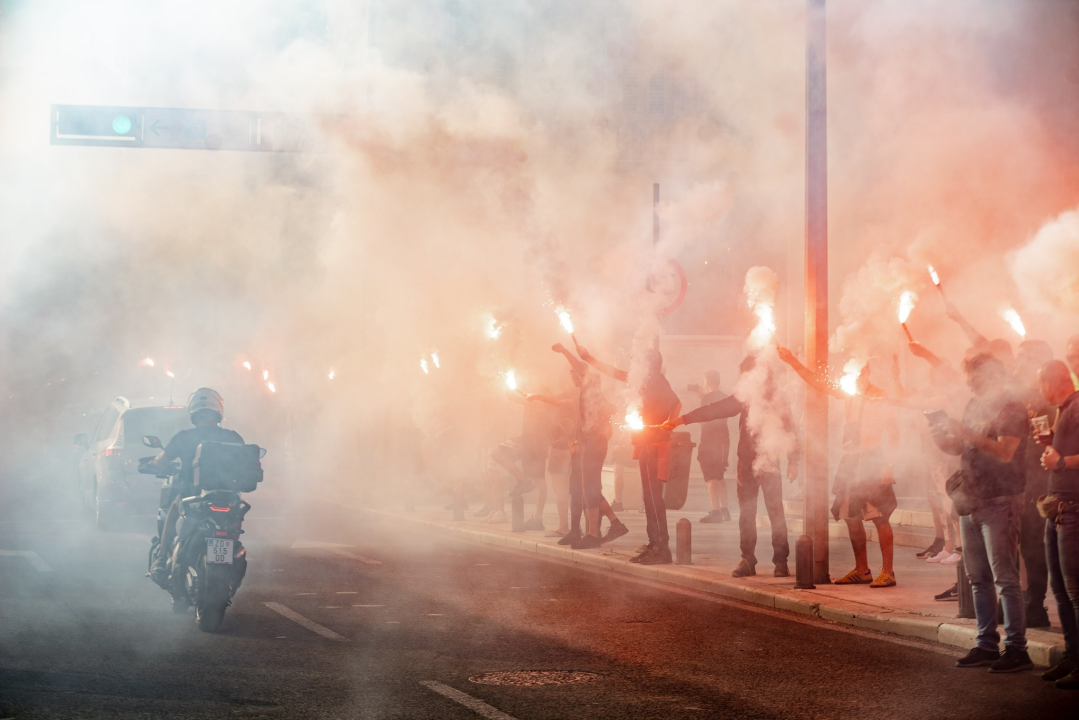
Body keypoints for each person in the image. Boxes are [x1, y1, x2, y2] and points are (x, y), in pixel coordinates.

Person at [929, 353, 1032, 673]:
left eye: (974, 375)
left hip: (1000, 500)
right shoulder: (975, 404)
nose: (969, 381)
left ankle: (1017, 648)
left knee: (1005, 578)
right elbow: (965, 447)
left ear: (990, 374)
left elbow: (1005, 450)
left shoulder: (1011, 406)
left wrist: (966, 433)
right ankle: (986, 644)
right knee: (977, 578)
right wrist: (943, 438)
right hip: (971, 500)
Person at [665, 355, 800, 577]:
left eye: (748, 374)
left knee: (776, 512)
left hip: (770, 461)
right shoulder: (745, 395)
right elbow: (716, 409)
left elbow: (789, 428)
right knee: (746, 513)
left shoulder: (778, 397)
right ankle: (747, 559)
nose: (745, 379)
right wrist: (682, 420)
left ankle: (781, 561)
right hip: (746, 461)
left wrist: (794, 460)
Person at [778, 347, 900, 588]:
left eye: (860, 373)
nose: (856, 378)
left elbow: (894, 434)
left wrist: (889, 464)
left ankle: (888, 572)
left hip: (872, 460)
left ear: (867, 372)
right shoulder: (849, 394)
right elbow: (818, 383)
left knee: (879, 517)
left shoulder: (879, 395)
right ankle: (862, 569)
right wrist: (792, 360)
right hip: (850, 462)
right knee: (851, 517)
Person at [576, 342, 681, 564]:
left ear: (648, 365)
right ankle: (654, 544)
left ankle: (662, 547)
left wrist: (668, 425)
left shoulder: (658, 381)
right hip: (645, 442)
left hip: (655, 444)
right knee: (648, 496)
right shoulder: (645, 381)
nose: (634, 365)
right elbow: (616, 374)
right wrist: (589, 358)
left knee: (653, 498)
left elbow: (676, 404)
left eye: (638, 361)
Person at [533, 345, 629, 549]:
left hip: (594, 444)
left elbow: (582, 369)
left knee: (590, 489)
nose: (573, 377)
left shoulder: (591, 387)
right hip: (589, 443)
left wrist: (564, 351)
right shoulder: (586, 393)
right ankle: (611, 524)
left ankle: (594, 534)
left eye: (575, 374)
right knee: (587, 489)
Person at [149, 388, 245, 589]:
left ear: (194, 412)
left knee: (172, 512)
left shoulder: (184, 437)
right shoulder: (233, 437)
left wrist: (153, 464)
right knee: (233, 529)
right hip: (228, 497)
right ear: (218, 411)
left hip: (192, 496)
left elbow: (162, 460)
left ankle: (161, 557)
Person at [1036, 360, 1079, 689]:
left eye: (1040, 385)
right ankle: (1072, 656)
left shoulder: (1077, 405)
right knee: (1061, 590)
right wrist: (1053, 442)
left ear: (1051, 384)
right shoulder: (1065, 408)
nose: (1039, 391)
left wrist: (1061, 461)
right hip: (1058, 511)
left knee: (1075, 592)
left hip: (1073, 512)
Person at [1013, 339, 1053, 628]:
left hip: (1044, 480)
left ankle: (1036, 604)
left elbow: (1045, 439)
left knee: (1037, 546)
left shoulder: (1047, 396)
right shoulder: (1021, 391)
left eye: (1026, 357)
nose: (1019, 362)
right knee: (1026, 545)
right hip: (1022, 477)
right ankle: (1028, 601)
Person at [692, 370, 732, 523]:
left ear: (707, 381)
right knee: (720, 476)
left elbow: (703, 420)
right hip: (723, 441)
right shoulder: (725, 397)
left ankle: (715, 512)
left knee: (711, 478)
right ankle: (725, 510)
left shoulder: (707, 398)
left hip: (709, 442)